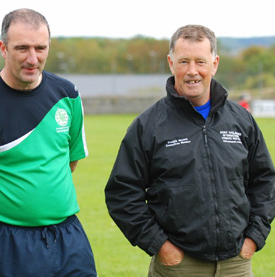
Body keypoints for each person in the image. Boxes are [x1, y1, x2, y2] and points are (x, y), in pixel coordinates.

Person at [105, 25, 275, 276]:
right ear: (171, 63)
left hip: (236, 264)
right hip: (178, 265)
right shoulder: (149, 125)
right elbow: (122, 192)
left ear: (214, 64)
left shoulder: (241, 120)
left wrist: (254, 237)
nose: (192, 71)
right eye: (184, 61)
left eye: (200, 61)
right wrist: (159, 245)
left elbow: (265, 180)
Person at [0, 8, 96, 277]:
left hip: (68, 234)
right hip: (8, 240)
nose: (32, 58)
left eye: (40, 48)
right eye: (22, 48)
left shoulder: (68, 94)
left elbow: (69, 162)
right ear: (3, 48)